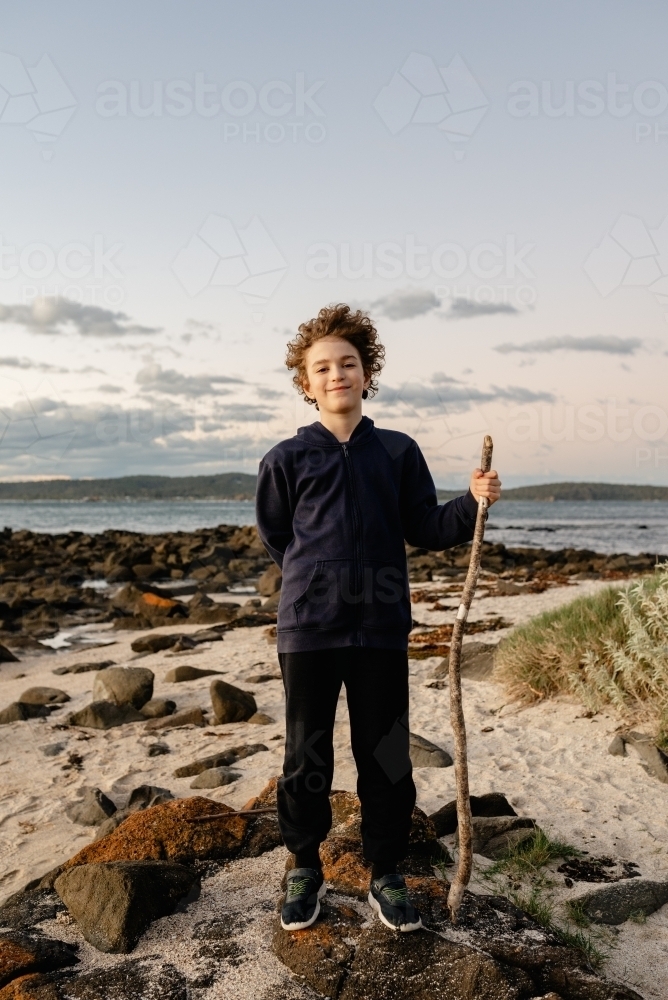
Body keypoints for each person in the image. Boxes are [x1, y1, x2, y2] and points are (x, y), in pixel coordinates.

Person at [256, 303, 501, 933]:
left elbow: (424, 525)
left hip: (382, 629)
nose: (336, 374)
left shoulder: (396, 451)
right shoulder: (286, 458)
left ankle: (385, 871)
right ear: (306, 384)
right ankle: (304, 864)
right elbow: (278, 536)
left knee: (387, 755)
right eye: (322, 367)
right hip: (309, 631)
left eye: (348, 363)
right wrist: (320, 580)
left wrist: (469, 503)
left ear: (367, 373)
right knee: (306, 754)